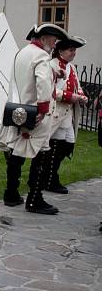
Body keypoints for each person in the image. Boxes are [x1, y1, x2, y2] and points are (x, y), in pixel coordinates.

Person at [0, 23, 69, 214]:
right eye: (53, 40)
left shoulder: (23, 52)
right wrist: (43, 110)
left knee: (17, 153)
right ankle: (34, 198)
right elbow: (42, 84)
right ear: (44, 38)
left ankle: (11, 193)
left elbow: (24, 77)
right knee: (42, 153)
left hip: (18, 110)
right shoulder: (42, 56)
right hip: (35, 112)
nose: (54, 45)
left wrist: (53, 73)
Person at [43, 35, 88, 194]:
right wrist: (70, 97)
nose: (73, 52)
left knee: (67, 145)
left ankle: (49, 176)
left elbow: (76, 86)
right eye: (71, 49)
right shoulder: (52, 65)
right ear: (61, 51)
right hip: (56, 112)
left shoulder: (72, 67)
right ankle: (49, 179)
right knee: (53, 147)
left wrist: (81, 95)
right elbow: (49, 89)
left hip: (67, 113)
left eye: (74, 50)